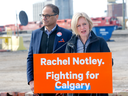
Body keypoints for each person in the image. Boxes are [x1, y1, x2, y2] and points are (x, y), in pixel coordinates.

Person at [27, 4, 72, 96]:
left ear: (56, 16)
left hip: (59, 85)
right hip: (40, 85)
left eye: (47, 15)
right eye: (42, 15)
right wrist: (31, 80)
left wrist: (65, 84)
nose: (44, 18)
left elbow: (71, 60)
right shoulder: (35, 34)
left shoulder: (67, 34)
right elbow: (30, 58)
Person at [65, 12, 113, 96]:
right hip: (77, 89)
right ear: (75, 28)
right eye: (78, 25)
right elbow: (65, 67)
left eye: (84, 24)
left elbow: (109, 62)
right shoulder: (70, 44)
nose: (82, 28)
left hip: (96, 88)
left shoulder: (100, 42)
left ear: (89, 24)